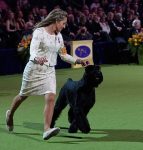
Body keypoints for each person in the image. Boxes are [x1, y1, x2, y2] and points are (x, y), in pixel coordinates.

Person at [6, 8, 88, 140]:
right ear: (56, 21)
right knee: (23, 95)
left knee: (50, 97)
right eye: (63, 23)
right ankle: (10, 114)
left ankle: (46, 129)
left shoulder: (59, 36)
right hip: (34, 69)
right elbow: (33, 51)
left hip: (49, 70)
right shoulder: (39, 32)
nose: (64, 26)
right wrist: (37, 58)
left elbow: (63, 55)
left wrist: (77, 60)